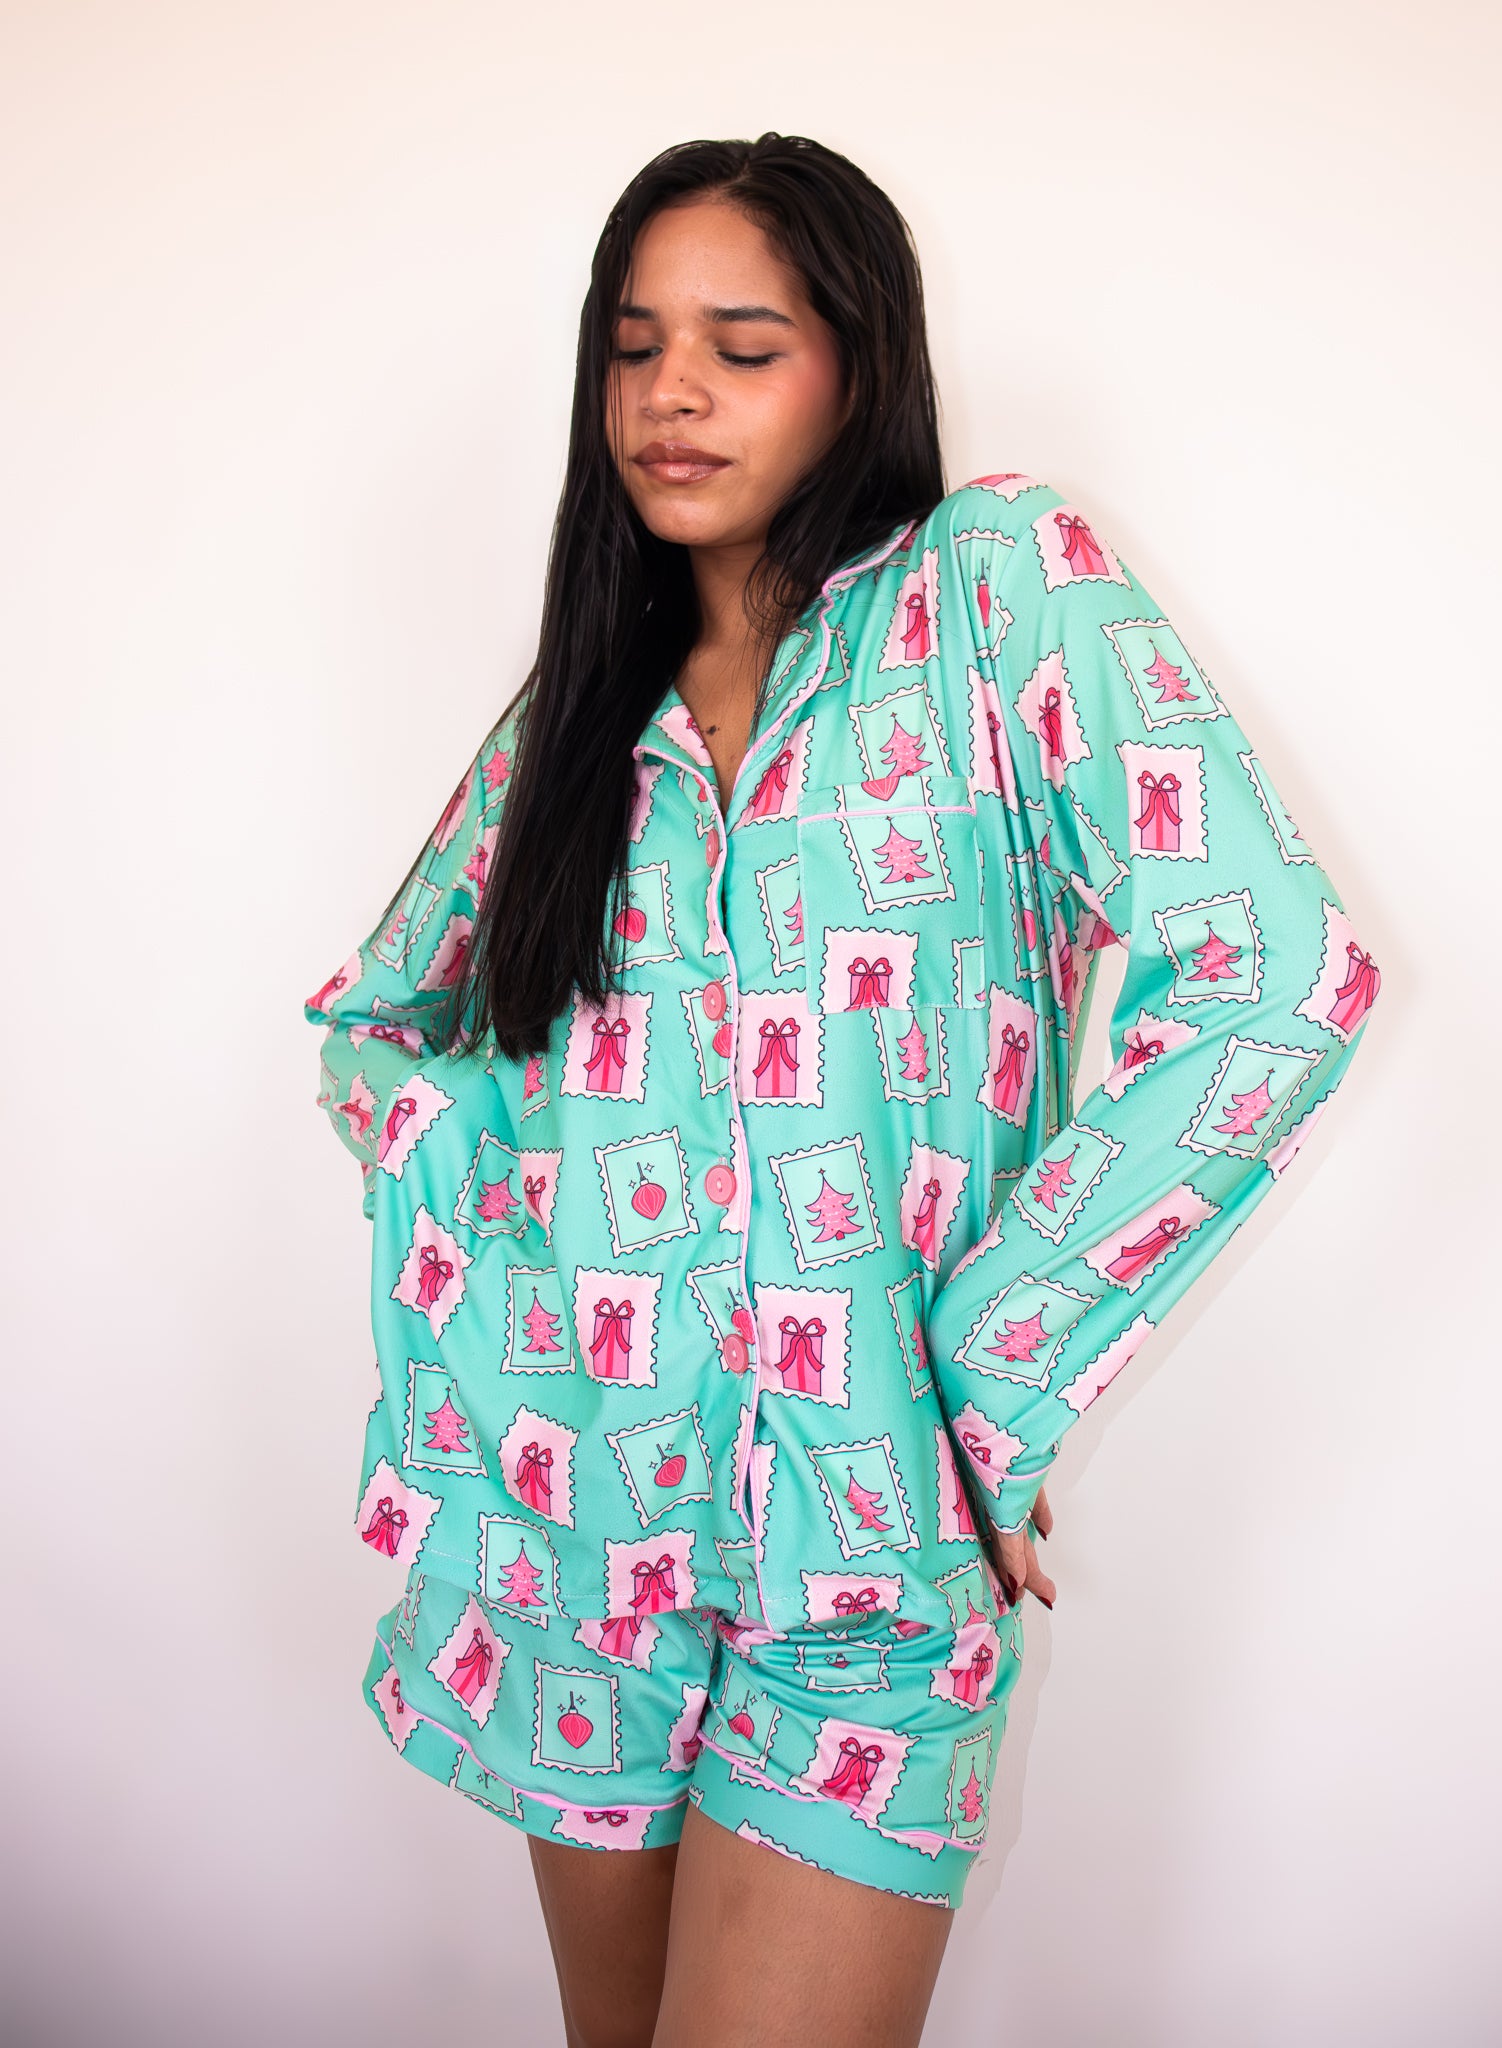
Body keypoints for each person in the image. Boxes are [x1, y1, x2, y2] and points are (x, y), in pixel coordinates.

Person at [301, 132, 1383, 2047]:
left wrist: (980, 1388)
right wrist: (517, 1281)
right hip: (578, 1541)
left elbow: (1275, 978)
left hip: (868, 1548)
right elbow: (379, 1026)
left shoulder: (995, 593)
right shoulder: (577, 717)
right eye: (633, 349)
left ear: (858, 366)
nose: (674, 394)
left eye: (742, 344)